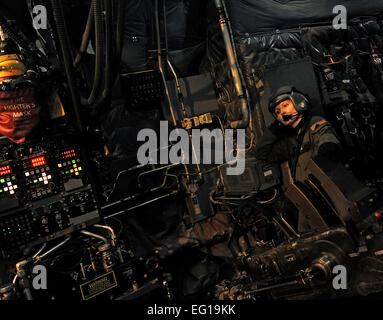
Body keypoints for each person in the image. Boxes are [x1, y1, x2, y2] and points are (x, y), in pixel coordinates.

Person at [255, 86, 341, 183]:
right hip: (309, 192)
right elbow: (261, 154)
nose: (282, 112)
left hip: (327, 186)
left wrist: (327, 146)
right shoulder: (289, 140)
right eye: (277, 112)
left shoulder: (315, 123)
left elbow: (328, 142)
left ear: (299, 102)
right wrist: (274, 129)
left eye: (285, 105)